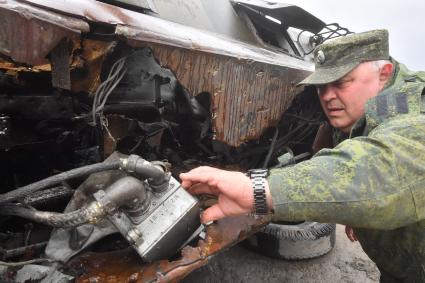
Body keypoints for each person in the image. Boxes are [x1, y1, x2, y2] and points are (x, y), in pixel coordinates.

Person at [180, 29, 425, 282]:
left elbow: (385, 170)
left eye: (341, 82)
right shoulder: (371, 102)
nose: (327, 97)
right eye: (321, 87)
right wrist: (357, 209)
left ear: (383, 74)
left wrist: (258, 189)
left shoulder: (416, 113)